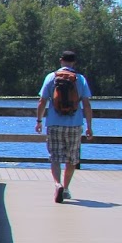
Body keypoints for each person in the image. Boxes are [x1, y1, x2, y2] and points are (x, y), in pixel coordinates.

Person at [35, 50, 93, 203]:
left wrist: (39, 121)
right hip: (74, 124)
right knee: (72, 159)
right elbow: (86, 104)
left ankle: (57, 184)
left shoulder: (51, 77)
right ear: (74, 62)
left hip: (54, 123)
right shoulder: (80, 79)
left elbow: (42, 101)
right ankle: (66, 188)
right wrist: (89, 126)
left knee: (55, 157)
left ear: (61, 60)